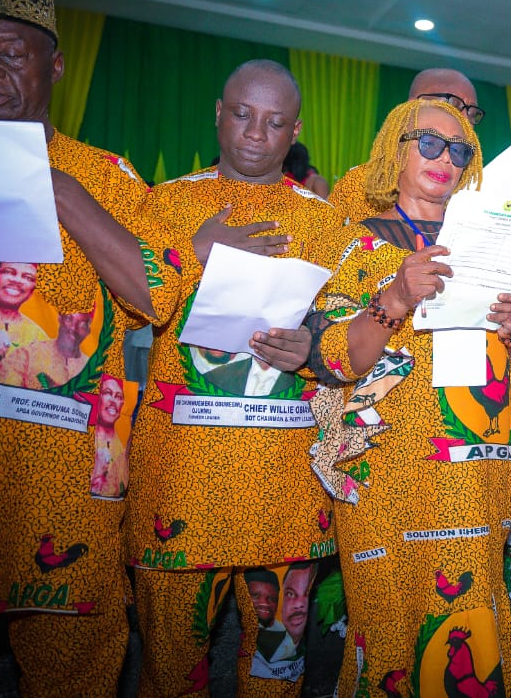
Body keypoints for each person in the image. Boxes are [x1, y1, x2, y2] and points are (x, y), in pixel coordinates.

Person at [0, 0, 160, 696]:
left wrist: (61, 190)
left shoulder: (110, 175)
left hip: (66, 476)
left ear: (54, 64)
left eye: (11, 51)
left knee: (73, 667)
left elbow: (155, 295)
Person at [306, 98, 511, 696]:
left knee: (472, 625)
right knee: (386, 632)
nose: (445, 158)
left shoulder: (497, 241)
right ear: (396, 149)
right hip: (384, 467)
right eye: (429, 142)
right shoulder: (353, 244)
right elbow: (332, 360)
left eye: (460, 149)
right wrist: (395, 297)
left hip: (475, 461)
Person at [124, 59, 338, 695]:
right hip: (179, 476)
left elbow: (349, 336)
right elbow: (131, 309)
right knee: (170, 666)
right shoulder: (162, 206)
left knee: (278, 663)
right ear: (218, 113)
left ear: (293, 131)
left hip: (286, 482)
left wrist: (315, 342)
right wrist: (191, 247)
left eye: (274, 122)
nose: (254, 133)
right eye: (242, 114)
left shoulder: (326, 223)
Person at [328, 67, 482, 223]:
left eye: (472, 112)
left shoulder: (479, 193)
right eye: (454, 104)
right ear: (412, 106)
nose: (465, 120)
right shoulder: (360, 184)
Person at [0, 307, 93, 389]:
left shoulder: (90, 368)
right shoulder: (26, 355)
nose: (73, 328)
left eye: (82, 325)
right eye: (69, 319)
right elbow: (4, 397)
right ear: (60, 319)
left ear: (88, 331)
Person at [90, 373, 129, 497]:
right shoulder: (85, 441)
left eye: (118, 396)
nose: (113, 401)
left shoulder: (123, 449)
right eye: (107, 393)